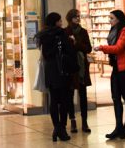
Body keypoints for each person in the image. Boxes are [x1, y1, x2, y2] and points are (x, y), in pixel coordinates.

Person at [36, 12, 77, 142]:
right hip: (61, 72)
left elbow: (46, 55)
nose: (61, 23)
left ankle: (56, 128)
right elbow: (69, 51)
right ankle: (61, 129)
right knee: (64, 101)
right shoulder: (60, 34)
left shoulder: (43, 36)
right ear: (55, 22)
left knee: (54, 101)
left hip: (50, 72)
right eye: (59, 21)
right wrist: (71, 42)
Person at [94, 9, 125, 140]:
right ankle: (119, 128)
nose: (109, 20)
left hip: (124, 69)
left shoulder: (124, 31)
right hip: (116, 68)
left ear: (118, 19)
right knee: (116, 98)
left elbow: (118, 48)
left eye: (111, 18)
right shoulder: (114, 31)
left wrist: (102, 48)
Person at [64, 8, 92, 133]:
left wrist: (76, 44)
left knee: (83, 95)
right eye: (76, 17)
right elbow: (65, 50)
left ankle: (85, 121)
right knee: (69, 95)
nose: (78, 19)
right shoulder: (65, 32)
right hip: (70, 67)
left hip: (82, 68)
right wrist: (74, 46)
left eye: (79, 16)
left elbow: (88, 48)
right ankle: (73, 120)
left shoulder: (83, 32)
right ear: (70, 18)